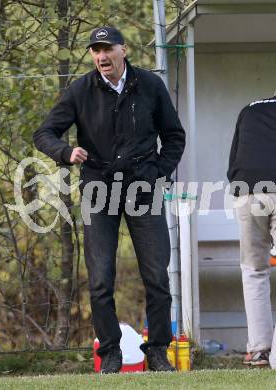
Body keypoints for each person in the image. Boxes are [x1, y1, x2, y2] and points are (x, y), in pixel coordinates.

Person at [34, 26, 185, 373]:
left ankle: (158, 351)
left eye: (107, 49)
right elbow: (44, 133)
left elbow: (174, 136)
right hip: (99, 190)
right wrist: (64, 151)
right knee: (101, 278)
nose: (101, 56)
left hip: (143, 190)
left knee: (157, 277)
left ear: (123, 50)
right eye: (95, 51)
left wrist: (158, 172)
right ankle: (112, 353)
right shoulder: (80, 90)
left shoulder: (150, 86)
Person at [227, 94, 276, 367]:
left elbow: (234, 156)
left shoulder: (250, 108)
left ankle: (259, 350)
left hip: (247, 190)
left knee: (254, 270)